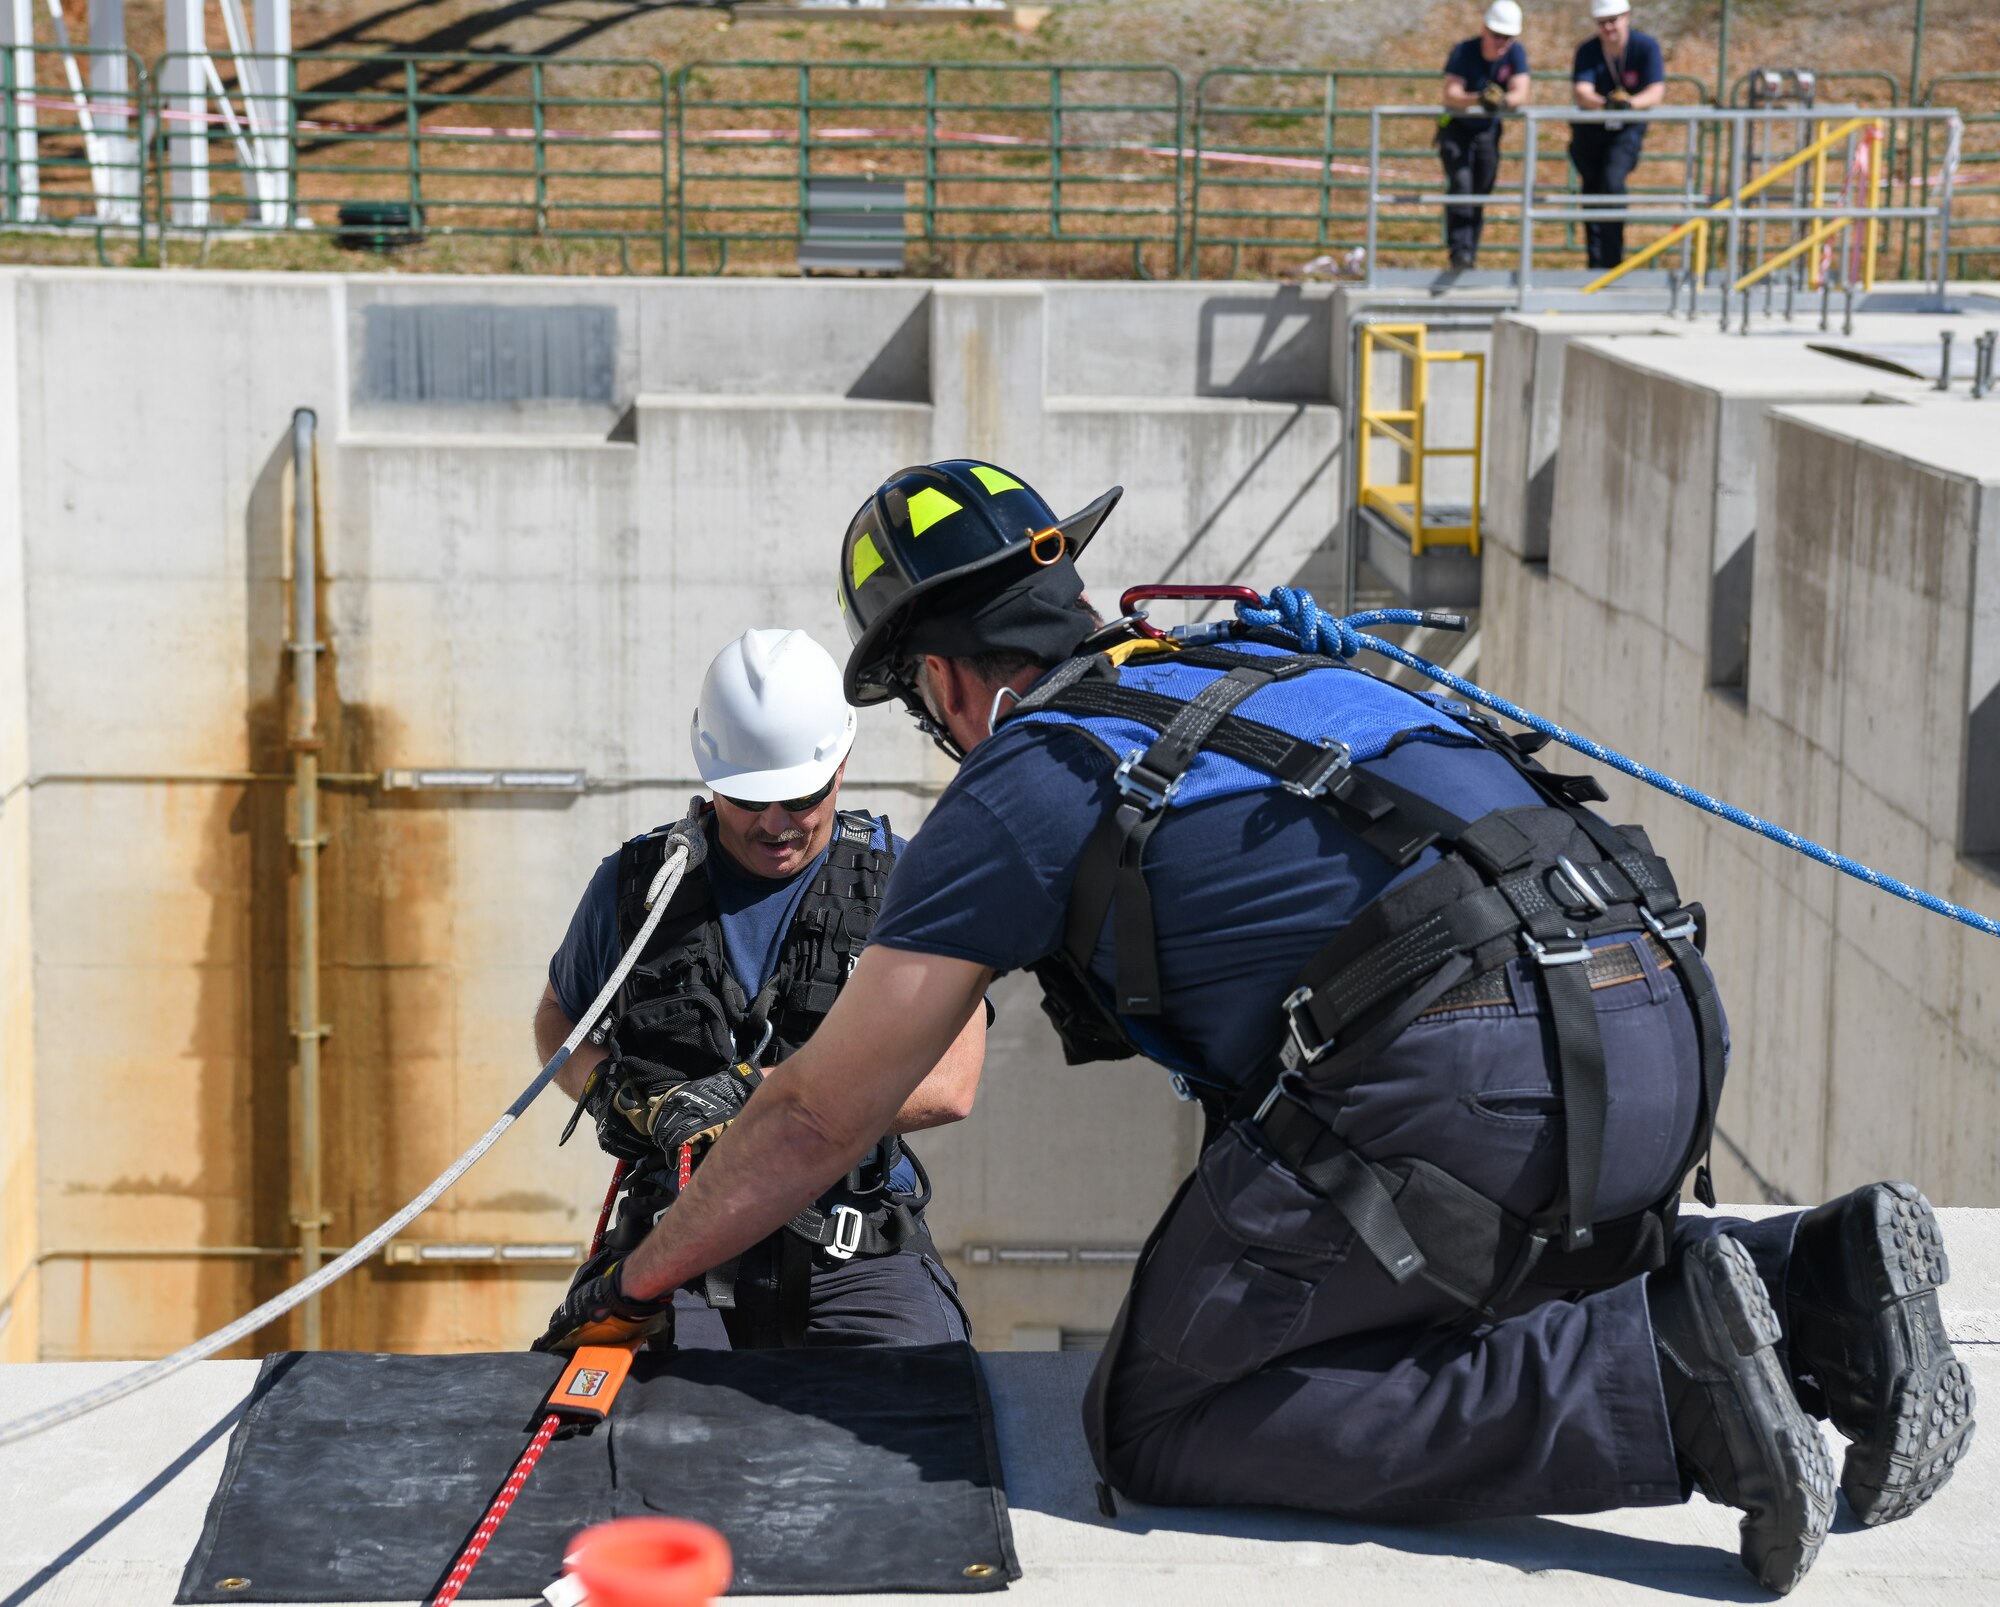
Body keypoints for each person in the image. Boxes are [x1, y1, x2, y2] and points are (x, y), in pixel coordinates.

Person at [533, 461, 1975, 1594]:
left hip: (1470, 1069)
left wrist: (641, 1271)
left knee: (1165, 1415)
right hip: (1658, 1018)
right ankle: (1813, 1269)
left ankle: (1666, 1381)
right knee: (1433, 1263)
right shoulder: (1269, 672)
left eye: (921, 702)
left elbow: (812, 1114)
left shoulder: (1026, 775)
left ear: (946, 677)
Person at [532, 627, 982, 1349]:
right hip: (673, 1241)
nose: (775, 824)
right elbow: (559, 1017)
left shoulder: (911, 884)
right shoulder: (638, 886)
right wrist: (615, 1090)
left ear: (840, 765)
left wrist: (754, 1094)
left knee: (928, 1417)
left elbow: (951, 1083)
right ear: (709, 776)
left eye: (798, 797)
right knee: (608, 1437)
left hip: (851, 1247)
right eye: (748, 798)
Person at [1570, 0, 1667, 268]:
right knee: (1592, 191)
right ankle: (1595, 263)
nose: (1608, 27)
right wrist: (1605, 104)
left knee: (1613, 183)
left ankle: (1612, 263)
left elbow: (1655, 91)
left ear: (1627, 17)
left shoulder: (1645, 46)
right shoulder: (1588, 50)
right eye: (1602, 22)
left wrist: (1628, 105)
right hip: (1591, 131)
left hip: (1626, 129)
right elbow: (1582, 90)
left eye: (1613, 20)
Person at [1439, 0, 1532, 269]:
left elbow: (1520, 92)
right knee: (1461, 184)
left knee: (1481, 189)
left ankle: (1470, 251)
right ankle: (1459, 251)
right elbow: (1450, 93)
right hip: (1456, 129)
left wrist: (1500, 102)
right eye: (1497, 36)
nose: (1502, 42)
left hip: (1487, 132)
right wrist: (1478, 99)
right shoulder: (1463, 51)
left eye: (1508, 37)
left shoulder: (1515, 54)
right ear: (1484, 30)